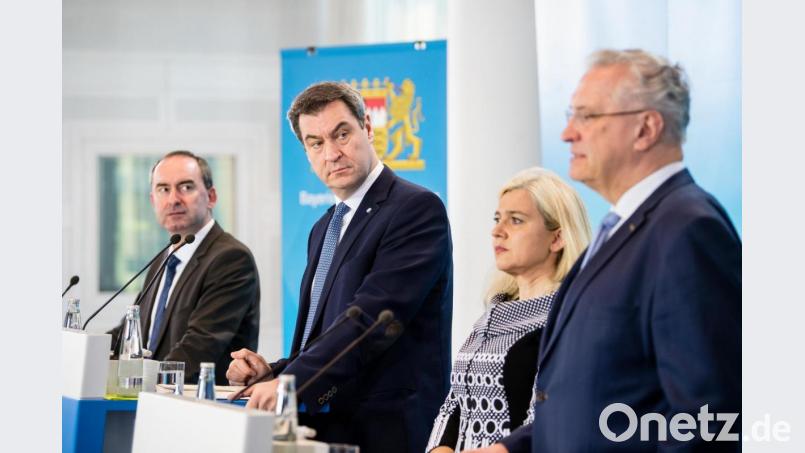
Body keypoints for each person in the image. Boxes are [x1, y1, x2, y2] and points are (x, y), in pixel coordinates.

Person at [476, 49, 741, 453]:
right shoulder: (621, 227)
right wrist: (511, 448)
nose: (567, 133)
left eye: (587, 116)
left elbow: (709, 419)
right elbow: (599, 400)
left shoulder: (688, 230)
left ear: (645, 129)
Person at [227, 82, 453, 453]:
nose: (332, 153)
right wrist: (275, 371)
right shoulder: (324, 228)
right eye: (316, 143)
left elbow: (372, 321)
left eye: (342, 134)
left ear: (367, 127)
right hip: (328, 428)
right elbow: (324, 335)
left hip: (386, 431)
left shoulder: (415, 209)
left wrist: (291, 383)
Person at [426, 167, 591, 452]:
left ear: (557, 238)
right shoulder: (493, 312)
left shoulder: (568, 318)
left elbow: (550, 419)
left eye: (516, 221)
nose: (497, 231)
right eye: (497, 219)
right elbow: (455, 402)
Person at [109, 150, 260, 384]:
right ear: (153, 200)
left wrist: (137, 381)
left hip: (202, 407)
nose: (173, 199)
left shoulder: (231, 258)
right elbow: (129, 333)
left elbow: (197, 348)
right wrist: (86, 357)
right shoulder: (161, 260)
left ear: (211, 197)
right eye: (163, 189)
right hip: (156, 401)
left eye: (186, 187)